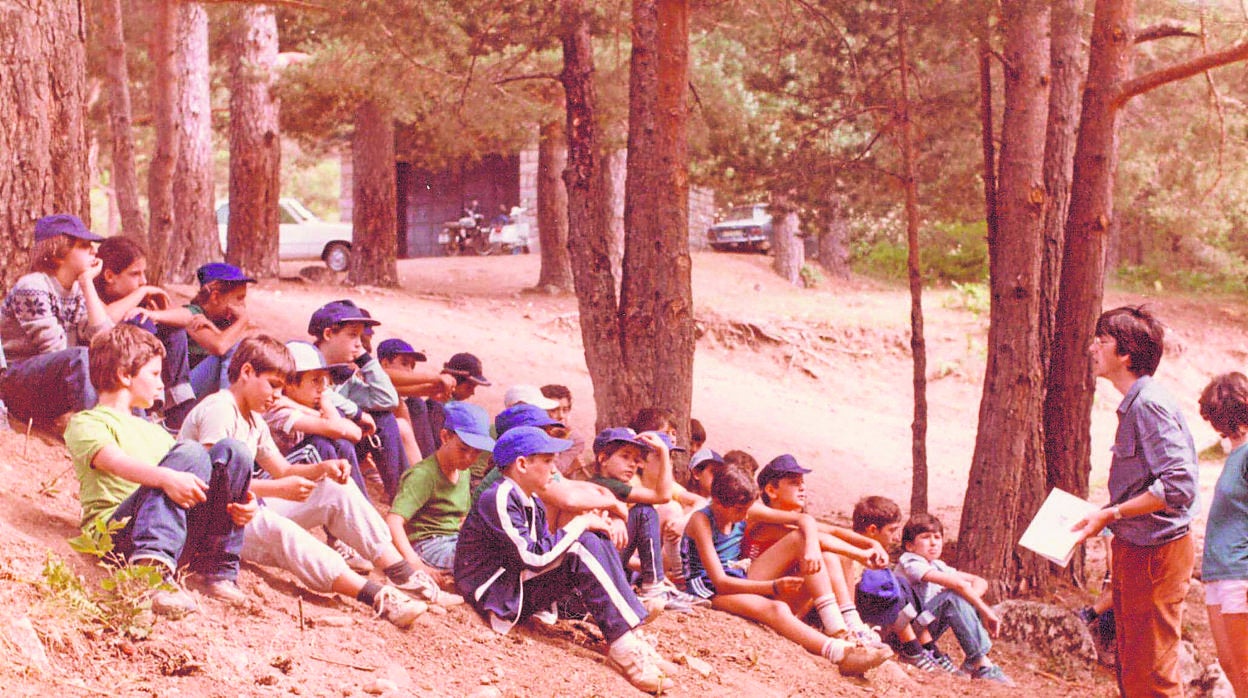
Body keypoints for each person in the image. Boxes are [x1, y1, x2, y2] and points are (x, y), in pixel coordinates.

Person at [178, 335, 454, 627]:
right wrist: (278, 489)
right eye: (272, 385)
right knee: (283, 531)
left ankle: (403, 574)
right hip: (211, 523)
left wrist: (322, 468)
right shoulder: (221, 408)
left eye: (281, 388)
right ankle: (377, 596)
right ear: (246, 372)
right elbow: (211, 483)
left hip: (242, 509)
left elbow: (283, 470)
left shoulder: (255, 420)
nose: (275, 396)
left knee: (334, 488)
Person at [455, 426, 676, 693]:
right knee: (582, 543)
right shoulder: (500, 495)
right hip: (495, 597)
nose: (554, 468)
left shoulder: (529, 499)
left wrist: (588, 525)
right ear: (522, 464)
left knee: (593, 538)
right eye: (547, 461)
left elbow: (541, 552)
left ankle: (629, 638)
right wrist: (581, 523)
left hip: (515, 588)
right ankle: (625, 648)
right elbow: (532, 557)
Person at [64, 324, 254, 615]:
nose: (160, 383)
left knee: (234, 452)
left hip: (171, 535)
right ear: (124, 375)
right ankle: (149, 573)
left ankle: (216, 571)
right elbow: (114, 462)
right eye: (154, 374)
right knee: (190, 452)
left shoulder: (159, 434)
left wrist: (237, 500)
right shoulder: (89, 421)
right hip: (115, 535)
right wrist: (166, 477)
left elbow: (199, 473)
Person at [1071, 305, 1199, 697]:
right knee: (1132, 667)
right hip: (1133, 548)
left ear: (1125, 354)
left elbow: (1179, 485)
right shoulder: (1134, 405)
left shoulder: (1149, 405)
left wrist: (1112, 512)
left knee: (1156, 673)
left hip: (1158, 555)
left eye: (1102, 341)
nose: (1093, 348)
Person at [680, 467, 892, 676]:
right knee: (776, 608)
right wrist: (772, 586)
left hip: (738, 575)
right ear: (717, 502)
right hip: (709, 588)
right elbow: (720, 582)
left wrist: (812, 547)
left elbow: (804, 520)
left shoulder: (743, 509)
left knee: (801, 539)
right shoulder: (701, 520)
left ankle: (840, 630)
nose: (746, 516)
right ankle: (840, 653)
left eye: (747, 510)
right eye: (739, 511)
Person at [744, 455, 889, 645]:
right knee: (809, 542)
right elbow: (816, 538)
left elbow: (834, 530)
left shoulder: (794, 520)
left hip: (783, 597)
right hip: (756, 595)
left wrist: (873, 544)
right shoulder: (764, 521)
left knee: (832, 556)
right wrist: (860, 554)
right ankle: (837, 629)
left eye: (802, 483)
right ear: (771, 490)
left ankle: (851, 624)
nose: (803, 487)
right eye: (794, 483)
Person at [0, 214, 112, 423]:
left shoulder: (78, 290)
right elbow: (56, 352)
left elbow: (108, 342)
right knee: (79, 356)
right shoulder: (33, 286)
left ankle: (134, 428)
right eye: (84, 245)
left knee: (110, 359)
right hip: (17, 387)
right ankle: (96, 432)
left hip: (53, 381)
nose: (94, 251)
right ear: (57, 254)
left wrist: (87, 284)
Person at [589, 427, 703, 612]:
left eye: (635, 459)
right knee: (644, 512)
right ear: (603, 459)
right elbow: (663, 496)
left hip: (611, 561)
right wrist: (664, 453)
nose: (632, 464)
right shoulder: (606, 484)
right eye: (625, 457)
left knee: (644, 511)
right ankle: (653, 586)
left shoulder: (616, 485)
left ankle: (654, 584)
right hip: (598, 564)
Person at [894, 513, 1012, 684]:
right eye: (926, 537)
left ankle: (977, 660)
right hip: (904, 633)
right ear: (910, 545)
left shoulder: (937, 565)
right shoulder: (910, 562)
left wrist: (966, 601)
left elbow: (979, 582)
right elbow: (958, 585)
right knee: (953, 596)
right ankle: (980, 664)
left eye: (937, 537)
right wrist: (984, 610)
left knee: (958, 596)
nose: (934, 542)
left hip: (924, 627)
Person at [308, 300, 406, 502]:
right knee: (342, 426)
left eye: (361, 336)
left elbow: (387, 399)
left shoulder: (343, 374)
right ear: (328, 334)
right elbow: (320, 393)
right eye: (352, 335)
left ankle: (402, 497)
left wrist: (365, 359)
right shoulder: (304, 361)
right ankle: (362, 507)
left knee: (384, 419)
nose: (359, 343)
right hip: (308, 448)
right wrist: (358, 413)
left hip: (344, 444)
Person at [93, 236, 196, 427]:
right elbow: (107, 317)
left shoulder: (144, 300)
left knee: (174, 331)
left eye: (143, 274)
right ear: (109, 276)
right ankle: (147, 413)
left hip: (152, 381)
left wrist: (155, 314)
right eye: (135, 274)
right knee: (139, 323)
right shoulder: (93, 295)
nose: (143, 281)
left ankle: (177, 411)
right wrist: (141, 292)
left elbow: (187, 317)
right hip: (110, 375)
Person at [385, 402, 495, 580]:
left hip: (453, 539)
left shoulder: (463, 472)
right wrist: (413, 562)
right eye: (463, 449)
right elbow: (394, 521)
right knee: (484, 561)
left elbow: (461, 518)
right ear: (445, 437)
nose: (469, 458)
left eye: (476, 453)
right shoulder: (424, 475)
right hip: (427, 543)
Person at [850, 496, 955, 673]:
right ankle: (913, 650)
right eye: (892, 530)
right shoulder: (852, 551)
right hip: (865, 621)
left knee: (902, 584)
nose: (896, 537)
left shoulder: (875, 552)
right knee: (893, 583)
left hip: (881, 616)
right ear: (872, 530)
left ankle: (927, 648)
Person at [1196, 373, 1248, 697]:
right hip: (1217, 573)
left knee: (1245, 666)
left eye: (1216, 417)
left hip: (1239, 573)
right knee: (1229, 664)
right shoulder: (1235, 454)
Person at [185, 262, 256, 400]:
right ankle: (227, 407)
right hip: (185, 393)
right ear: (215, 297)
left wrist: (217, 330)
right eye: (239, 298)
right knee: (235, 350)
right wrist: (243, 320)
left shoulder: (223, 320)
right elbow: (220, 346)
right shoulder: (193, 314)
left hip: (204, 390)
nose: (243, 305)